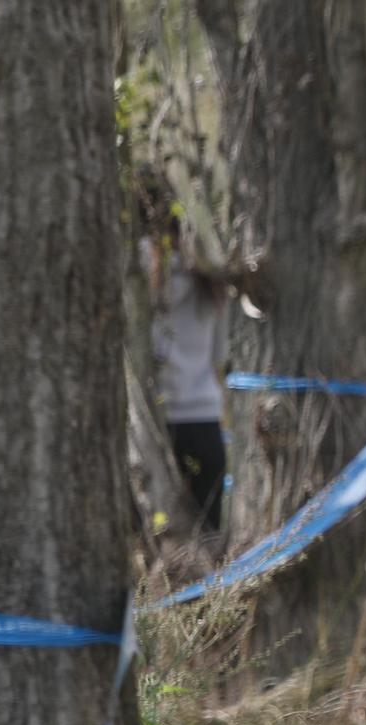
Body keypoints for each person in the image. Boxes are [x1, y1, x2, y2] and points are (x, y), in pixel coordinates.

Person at [142, 213, 227, 533]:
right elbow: (220, 356)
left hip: (157, 419)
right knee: (208, 534)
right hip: (204, 415)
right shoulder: (212, 279)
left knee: (159, 535)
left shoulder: (136, 273)